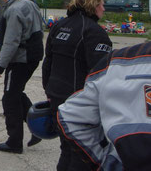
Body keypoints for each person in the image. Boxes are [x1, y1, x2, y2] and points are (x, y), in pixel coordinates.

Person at [42, 0, 112, 170]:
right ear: (93, 5)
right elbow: (101, 74)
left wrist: (48, 91)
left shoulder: (59, 25)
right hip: (80, 101)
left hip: (57, 96)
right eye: (102, 4)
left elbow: (48, 62)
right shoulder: (94, 32)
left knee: (67, 147)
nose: (104, 9)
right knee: (82, 154)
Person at [57, 40, 151, 170]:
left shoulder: (117, 59)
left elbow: (69, 115)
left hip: (123, 162)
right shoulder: (97, 35)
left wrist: (106, 161)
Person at [0, 0, 44, 154]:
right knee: (16, 93)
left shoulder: (14, 10)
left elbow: (11, 41)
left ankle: (14, 142)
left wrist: (0, 65)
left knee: (10, 99)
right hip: (33, 57)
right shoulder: (29, 5)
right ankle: (38, 126)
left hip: (20, 59)